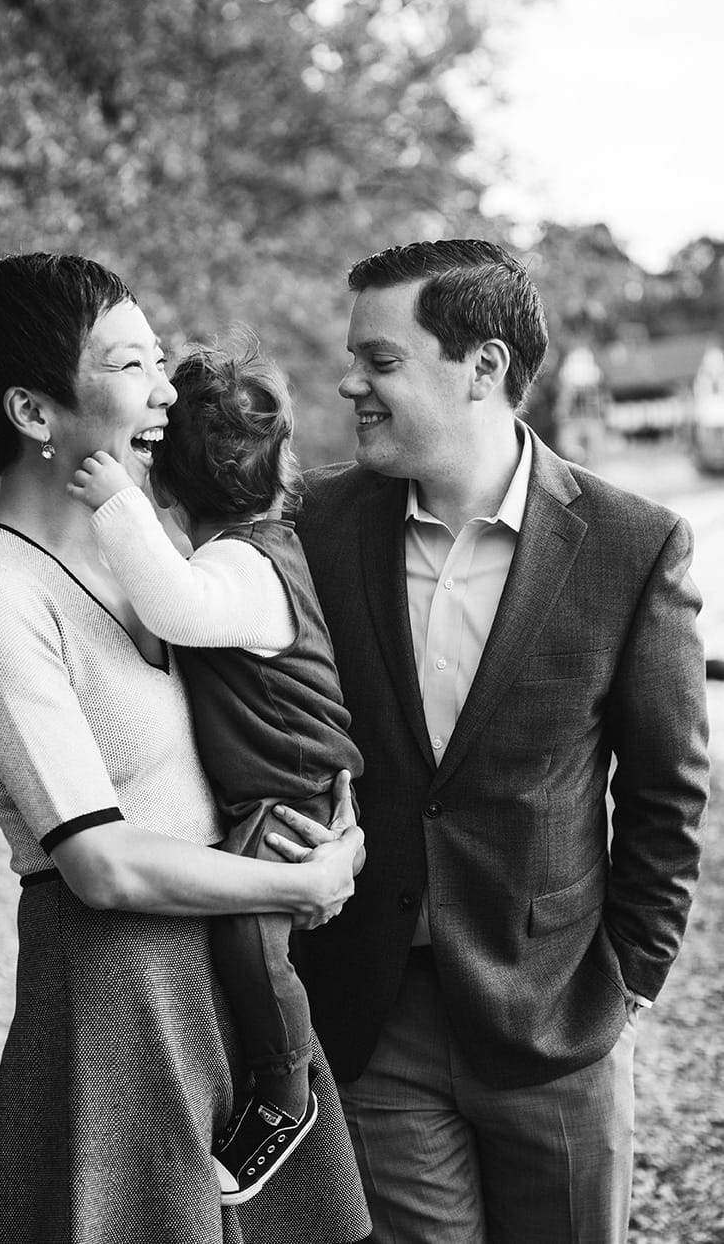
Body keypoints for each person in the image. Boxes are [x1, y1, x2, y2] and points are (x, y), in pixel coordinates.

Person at [0, 252, 370, 1244]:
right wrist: (297, 883)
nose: (167, 389)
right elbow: (99, 859)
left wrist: (332, 831)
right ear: (34, 411)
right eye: (131, 364)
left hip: (238, 955)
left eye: (160, 359)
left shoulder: (155, 552)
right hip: (119, 981)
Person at [280, 239, 710, 1244]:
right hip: (372, 1009)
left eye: (380, 360)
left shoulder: (633, 543)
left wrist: (630, 980)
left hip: (556, 1012)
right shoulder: (311, 524)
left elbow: (666, 791)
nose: (349, 382)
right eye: (353, 358)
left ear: (482, 367)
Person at [67, 332, 364, 1204]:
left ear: (166, 484)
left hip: (291, 792)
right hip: (279, 787)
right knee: (250, 935)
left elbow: (174, 605)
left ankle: (284, 1091)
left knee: (245, 929)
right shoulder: (252, 548)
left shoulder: (241, 563)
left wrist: (118, 502)